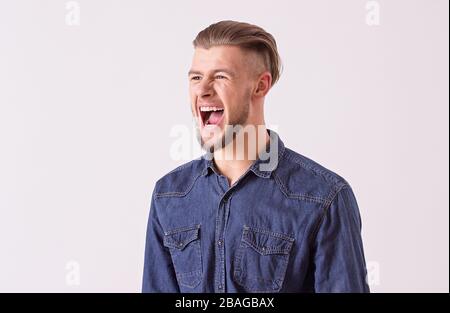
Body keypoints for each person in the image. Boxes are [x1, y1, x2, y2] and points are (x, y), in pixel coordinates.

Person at [142, 20, 370, 293]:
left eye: (220, 77)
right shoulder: (169, 195)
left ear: (260, 86)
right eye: (196, 77)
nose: (203, 90)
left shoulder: (324, 198)